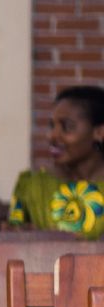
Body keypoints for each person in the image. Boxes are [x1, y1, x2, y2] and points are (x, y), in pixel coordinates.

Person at [8, 85, 104, 239]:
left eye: (66, 127)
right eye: (52, 126)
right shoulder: (32, 186)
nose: (52, 136)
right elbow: (10, 249)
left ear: (99, 132)